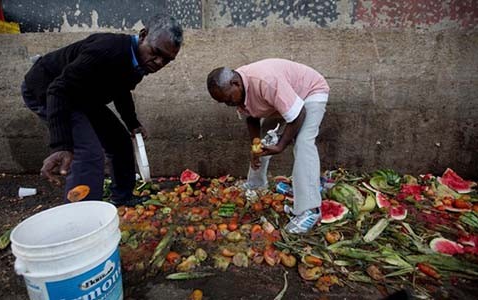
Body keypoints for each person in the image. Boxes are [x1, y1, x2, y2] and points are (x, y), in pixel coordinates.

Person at [21, 14, 183, 205]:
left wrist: (132, 123)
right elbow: (58, 90)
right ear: (143, 35)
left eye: (166, 60)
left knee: (120, 141)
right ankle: (81, 218)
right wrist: (61, 145)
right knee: (88, 152)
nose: (158, 62)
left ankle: (123, 198)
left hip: (83, 96)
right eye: (156, 52)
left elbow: (121, 90)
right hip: (48, 89)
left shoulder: (139, 63)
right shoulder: (106, 49)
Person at [206, 58, 329, 234]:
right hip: (284, 100)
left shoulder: (265, 81)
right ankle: (256, 184)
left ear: (235, 83)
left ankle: (310, 210)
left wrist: (281, 146)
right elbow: (252, 117)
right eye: (223, 102)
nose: (228, 104)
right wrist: (255, 147)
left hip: (310, 92)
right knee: (265, 141)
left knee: (303, 142)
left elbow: (298, 114)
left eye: (228, 99)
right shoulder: (238, 86)